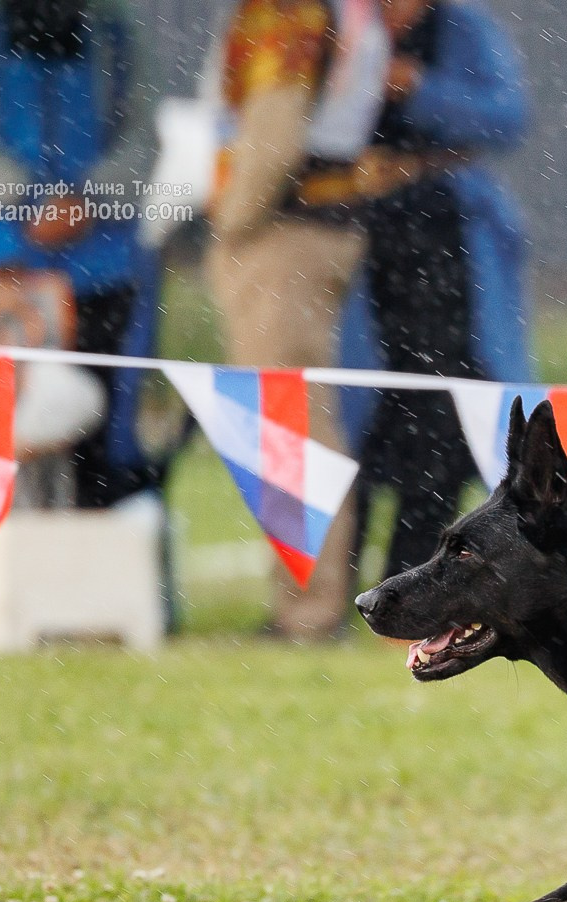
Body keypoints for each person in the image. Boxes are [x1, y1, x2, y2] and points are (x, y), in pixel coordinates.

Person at [0, 0, 160, 507]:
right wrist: (24, 199)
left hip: (100, 271)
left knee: (91, 449)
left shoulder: (116, 29)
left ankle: (84, 558)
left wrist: (87, 202)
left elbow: (142, 137)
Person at [341, 0, 533, 580]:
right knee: (355, 410)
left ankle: (410, 573)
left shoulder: (464, 29)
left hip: (447, 245)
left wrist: (419, 89)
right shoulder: (337, 23)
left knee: (448, 412)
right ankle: (331, 584)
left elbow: (508, 116)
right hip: (355, 241)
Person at [207, 0, 377, 640]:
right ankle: (312, 600)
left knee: (287, 424)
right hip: (310, 225)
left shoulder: (288, 9)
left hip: (281, 232)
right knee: (299, 418)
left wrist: (230, 222)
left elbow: (273, 135)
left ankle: (308, 608)